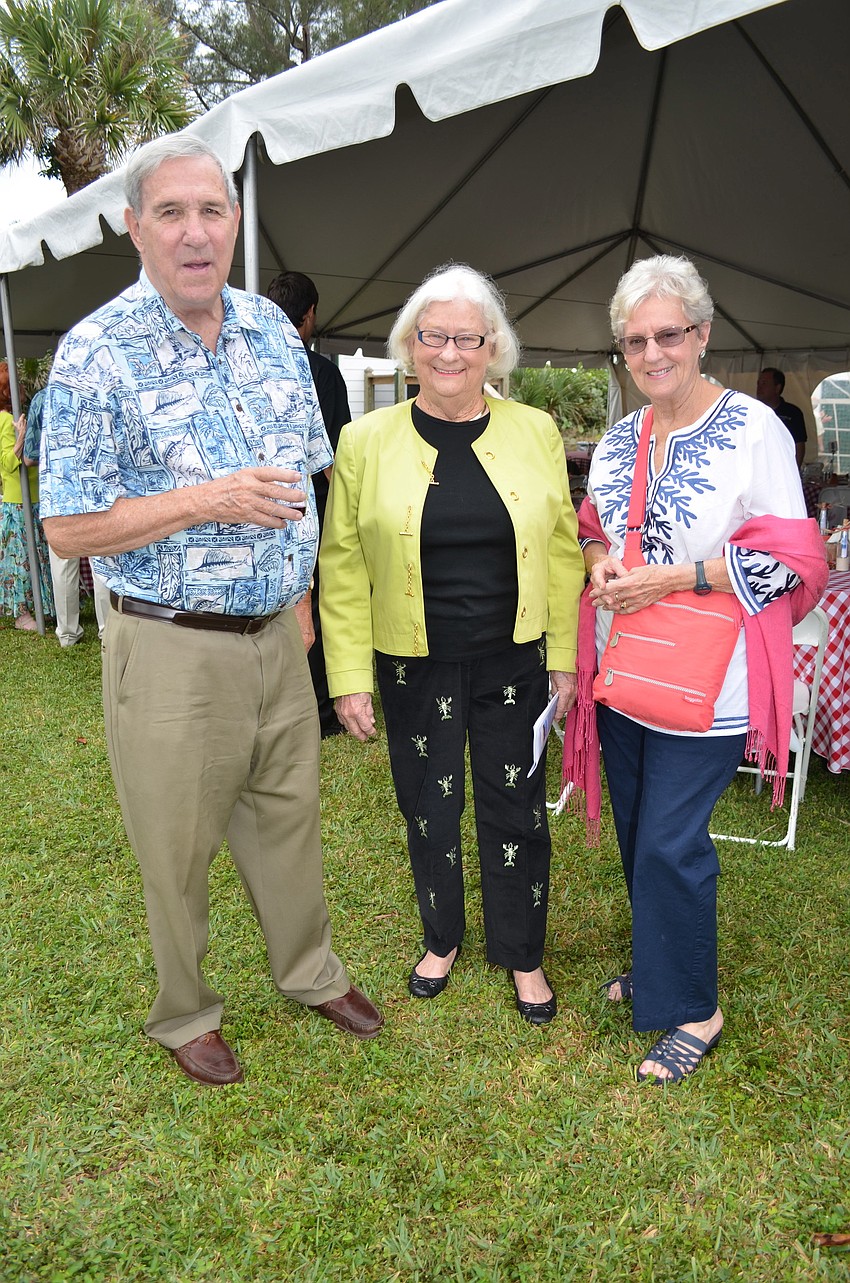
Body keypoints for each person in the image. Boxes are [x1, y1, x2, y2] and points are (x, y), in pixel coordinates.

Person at [38, 134, 383, 1086]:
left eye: (212, 212)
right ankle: (186, 1010)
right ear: (134, 226)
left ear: (235, 223)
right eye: (173, 213)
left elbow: (304, 480)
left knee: (290, 816)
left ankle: (309, 970)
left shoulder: (274, 331)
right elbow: (66, 526)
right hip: (172, 646)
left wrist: (304, 604)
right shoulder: (95, 354)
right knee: (176, 839)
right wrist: (208, 499)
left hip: (278, 633)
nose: (196, 234)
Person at [566, 255, 827, 1083]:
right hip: (627, 671)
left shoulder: (756, 430)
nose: (651, 353)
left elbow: (794, 558)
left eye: (667, 334)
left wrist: (682, 576)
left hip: (713, 681)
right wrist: (605, 558)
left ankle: (695, 1007)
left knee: (673, 842)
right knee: (643, 834)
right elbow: (592, 520)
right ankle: (660, 961)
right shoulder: (618, 437)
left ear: (702, 335)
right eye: (635, 340)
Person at [319, 263, 585, 1024]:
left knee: (518, 808)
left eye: (466, 337)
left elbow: (565, 551)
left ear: (491, 346)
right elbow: (341, 563)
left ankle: (523, 952)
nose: (449, 353)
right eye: (432, 336)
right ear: (410, 345)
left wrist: (562, 656)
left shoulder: (535, 431)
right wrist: (348, 675)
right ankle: (442, 936)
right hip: (413, 659)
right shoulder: (363, 440)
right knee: (427, 806)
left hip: (514, 655)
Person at [267, 270, 351, 737]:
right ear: (310, 314)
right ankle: (318, 711)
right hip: (311, 512)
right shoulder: (321, 373)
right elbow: (333, 461)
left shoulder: (245, 368)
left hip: (254, 512)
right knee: (313, 607)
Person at [24, 387, 109, 646]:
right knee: (103, 561)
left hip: (60, 489)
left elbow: (29, 458)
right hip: (97, 486)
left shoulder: (42, 398)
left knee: (63, 563)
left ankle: (68, 634)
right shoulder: (98, 391)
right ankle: (108, 631)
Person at [0, 362, 53, 632]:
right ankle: (21, 613)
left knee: (38, 555)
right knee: (20, 559)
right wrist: (20, 438)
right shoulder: (1, 420)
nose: (21, 387)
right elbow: (7, 464)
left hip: (34, 498)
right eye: (16, 384)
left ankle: (42, 606)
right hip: (17, 501)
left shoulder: (22, 414)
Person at [756, 367, 807, 468]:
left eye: (764, 384)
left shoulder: (792, 413)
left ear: (777, 388)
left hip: (783, 469)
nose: (759, 388)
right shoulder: (752, 411)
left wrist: (794, 472)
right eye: (758, 384)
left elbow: (799, 445)